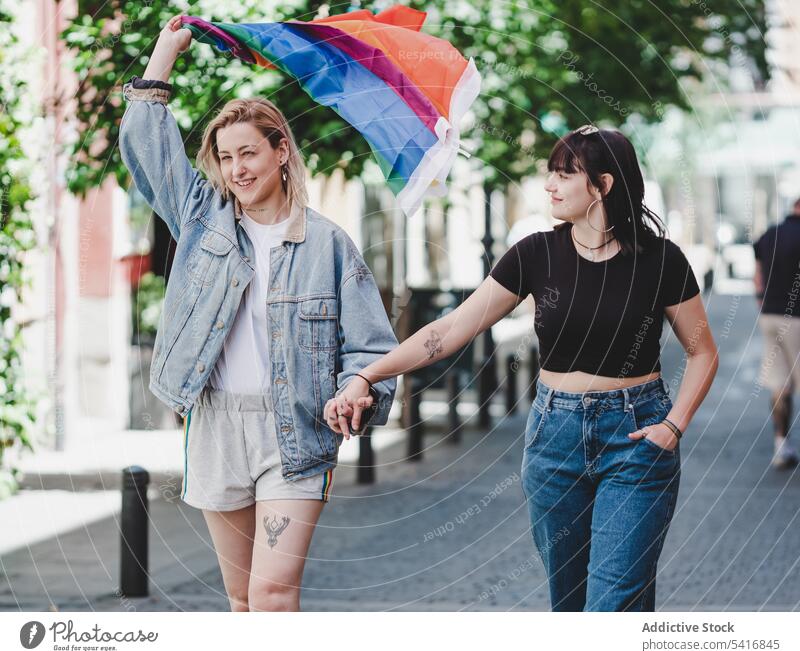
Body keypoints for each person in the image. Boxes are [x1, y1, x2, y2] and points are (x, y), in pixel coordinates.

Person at [328, 124, 718, 611]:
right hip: (555, 439)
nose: (549, 185)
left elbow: (703, 351)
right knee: (569, 602)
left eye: (563, 174)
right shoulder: (537, 253)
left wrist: (673, 426)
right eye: (549, 174)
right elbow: (448, 331)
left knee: (614, 603)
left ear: (604, 184)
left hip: (637, 437)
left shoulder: (661, 260)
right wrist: (370, 374)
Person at [118, 16, 398, 611]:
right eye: (225, 158)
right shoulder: (201, 223)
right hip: (217, 424)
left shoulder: (328, 245)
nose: (238, 168)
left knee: (273, 593)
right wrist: (164, 54)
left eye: (249, 152)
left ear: (281, 152)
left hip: (292, 428)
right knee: (242, 598)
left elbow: (372, 349)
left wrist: (356, 386)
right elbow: (147, 145)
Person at [753, 198, 800, 469]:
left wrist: (761, 297)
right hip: (797, 318)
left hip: (770, 315)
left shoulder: (770, 233)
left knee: (779, 385)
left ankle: (781, 446)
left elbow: (757, 273)